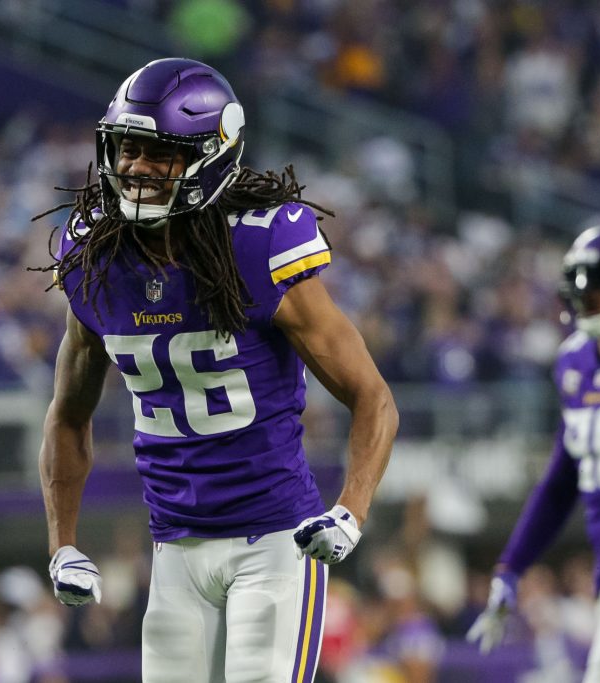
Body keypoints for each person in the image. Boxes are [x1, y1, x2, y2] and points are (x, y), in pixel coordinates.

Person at [36, 58, 398, 682]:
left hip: (275, 544)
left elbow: (374, 398)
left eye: (160, 153)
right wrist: (62, 542)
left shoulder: (257, 245)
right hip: (173, 548)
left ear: (211, 155)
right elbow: (69, 416)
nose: (136, 168)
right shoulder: (94, 258)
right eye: (127, 148)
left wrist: (351, 511)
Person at [468, 224, 600, 682]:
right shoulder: (575, 363)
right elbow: (561, 481)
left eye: (595, 299)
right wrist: (512, 566)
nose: (585, 311)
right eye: (580, 301)